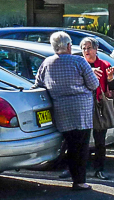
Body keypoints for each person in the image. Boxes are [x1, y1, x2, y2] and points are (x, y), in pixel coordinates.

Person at [34, 31, 100, 191]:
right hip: (81, 110)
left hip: (61, 109)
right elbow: (94, 85)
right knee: (82, 146)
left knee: (70, 145)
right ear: (69, 46)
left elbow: (38, 85)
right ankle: (79, 181)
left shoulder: (46, 63)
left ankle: (72, 175)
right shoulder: (79, 61)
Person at [80, 37, 114, 180]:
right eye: (83, 48)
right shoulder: (79, 65)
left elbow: (112, 88)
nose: (86, 51)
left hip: (99, 106)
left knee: (100, 140)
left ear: (95, 49)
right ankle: (74, 169)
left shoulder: (105, 65)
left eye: (89, 48)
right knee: (80, 140)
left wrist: (111, 78)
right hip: (82, 107)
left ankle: (99, 169)